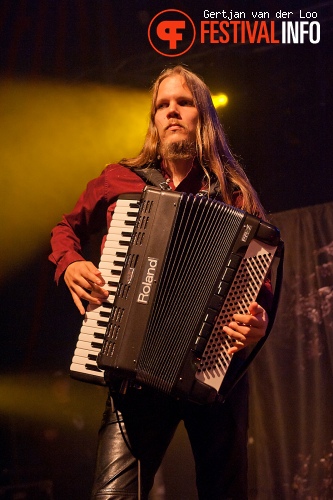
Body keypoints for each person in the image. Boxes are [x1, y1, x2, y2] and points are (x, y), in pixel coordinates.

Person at [49, 65, 273, 500]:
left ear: (202, 115)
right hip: (130, 375)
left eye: (183, 103)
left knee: (224, 492)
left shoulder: (234, 195)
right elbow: (65, 228)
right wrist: (71, 263)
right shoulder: (120, 179)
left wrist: (256, 323)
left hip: (210, 373)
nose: (172, 112)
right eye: (162, 105)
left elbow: (258, 289)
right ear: (153, 120)